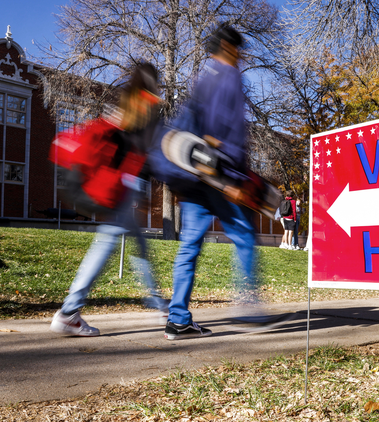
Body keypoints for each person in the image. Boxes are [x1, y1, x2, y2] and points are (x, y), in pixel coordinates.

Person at [163, 25, 274, 340]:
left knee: (189, 246)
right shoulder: (229, 78)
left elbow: (190, 132)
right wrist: (234, 181)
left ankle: (178, 319)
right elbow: (232, 133)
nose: (241, 55)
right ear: (228, 46)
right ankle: (247, 308)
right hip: (220, 176)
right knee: (244, 237)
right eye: (239, 49)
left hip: (193, 176)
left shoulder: (201, 80)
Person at [50, 63, 169, 337]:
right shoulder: (145, 105)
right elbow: (138, 152)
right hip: (118, 187)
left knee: (138, 242)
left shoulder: (126, 100)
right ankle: (69, 311)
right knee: (107, 242)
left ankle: (158, 302)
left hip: (118, 185)